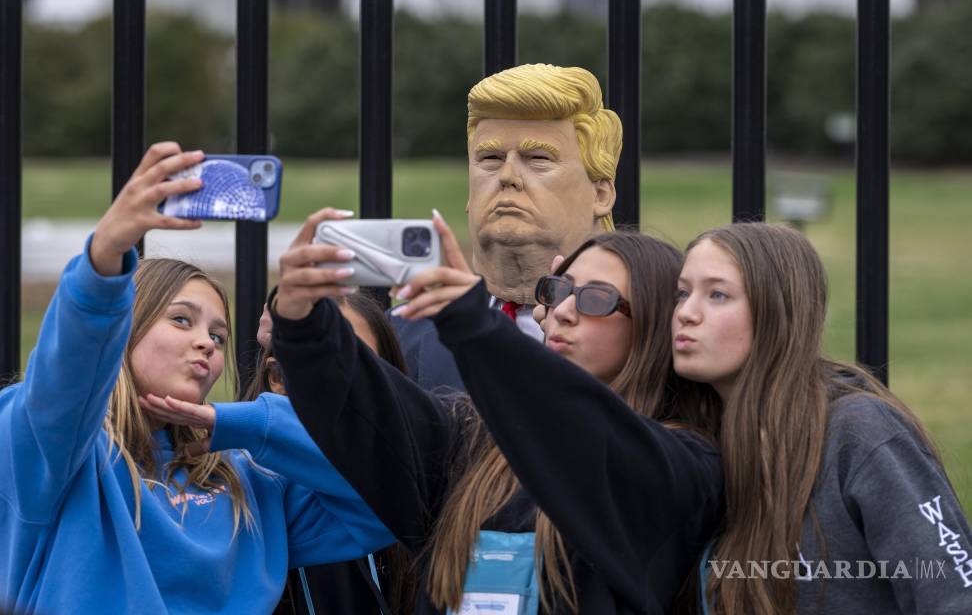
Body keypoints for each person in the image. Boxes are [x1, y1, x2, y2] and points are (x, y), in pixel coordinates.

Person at [0, 144, 393, 614]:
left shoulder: (246, 479)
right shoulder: (52, 452)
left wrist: (249, 423)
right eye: (182, 320)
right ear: (122, 331)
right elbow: (64, 379)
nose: (207, 342)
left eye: (219, 335)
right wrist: (105, 257)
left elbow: (384, 496)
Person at [270, 209, 724, 614]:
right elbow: (370, 412)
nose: (563, 310)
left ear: (652, 325)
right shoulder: (475, 443)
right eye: (559, 289)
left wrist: (472, 325)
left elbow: (590, 437)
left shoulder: (683, 465)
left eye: (596, 299)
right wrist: (305, 320)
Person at [672, 222, 972, 614]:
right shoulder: (698, 440)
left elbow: (953, 595)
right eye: (681, 293)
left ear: (778, 311)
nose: (686, 313)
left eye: (717, 294)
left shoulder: (860, 431)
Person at [393, 63, 622, 391]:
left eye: (538, 159)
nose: (507, 176)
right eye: (490, 159)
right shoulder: (402, 334)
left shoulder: (650, 335)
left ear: (600, 194)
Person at [245, 292, 416, 615]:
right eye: (319, 356)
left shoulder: (413, 486)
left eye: (362, 360)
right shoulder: (251, 485)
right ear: (277, 378)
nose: (340, 376)